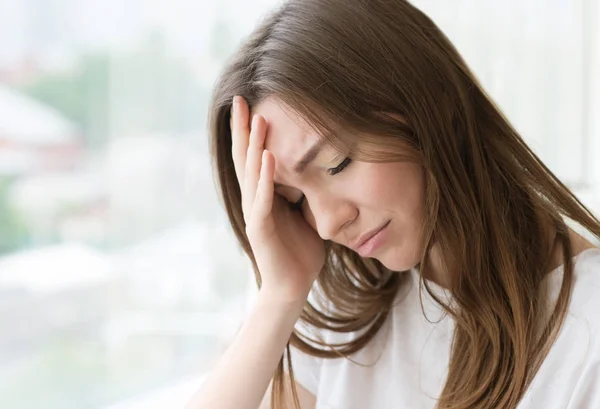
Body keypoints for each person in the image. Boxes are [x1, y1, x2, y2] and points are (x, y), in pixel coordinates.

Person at [186, 1, 600, 408]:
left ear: (430, 102)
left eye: (336, 164)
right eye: (294, 200)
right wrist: (280, 294)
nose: (328, 225)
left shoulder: (587, 329)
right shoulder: (343, 304)